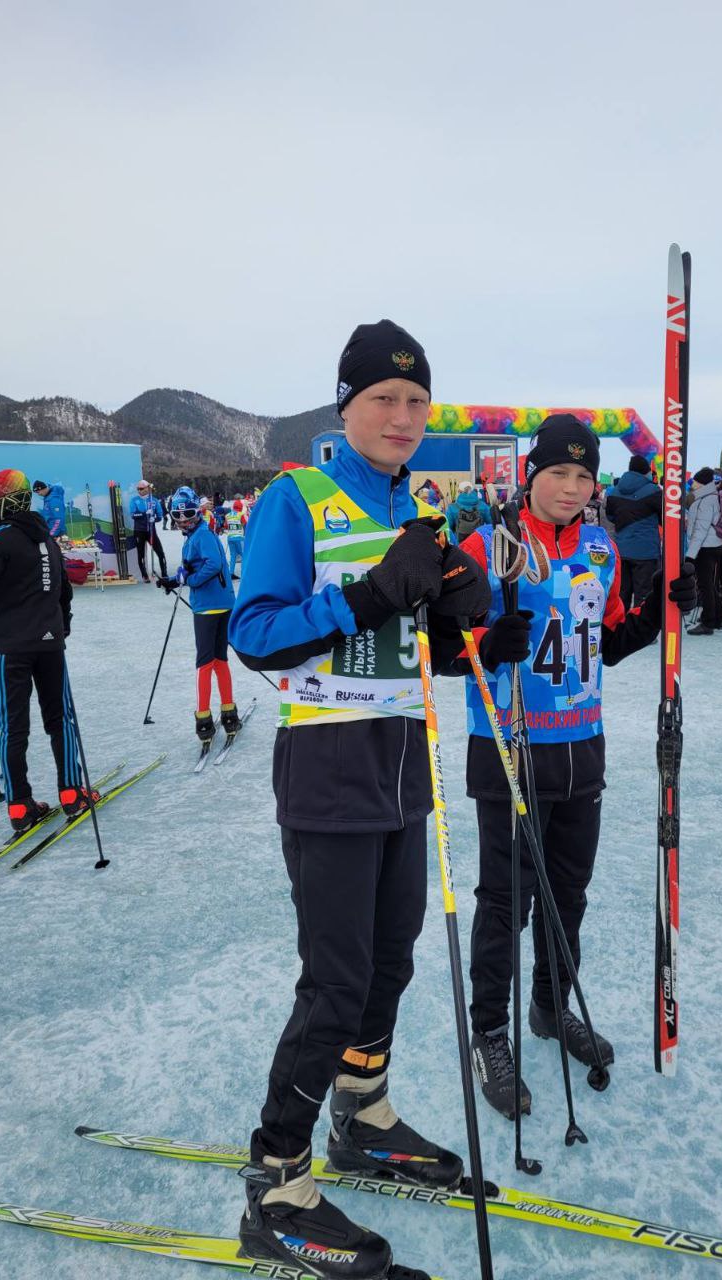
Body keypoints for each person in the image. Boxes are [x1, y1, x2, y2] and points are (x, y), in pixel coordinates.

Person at [227, 319, 491, 1278]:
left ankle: (362, 1113)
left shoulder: (421, 505)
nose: (403, 415)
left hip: (402, 764)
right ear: (347, 407)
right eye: (384, 398)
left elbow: (436, 641)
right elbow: (254, 634)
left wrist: (466, 608)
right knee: (334, 982)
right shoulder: (297, 498)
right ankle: (278, 1180)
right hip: (328, 770)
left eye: (417, 401)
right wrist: (371, 597)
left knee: (391, 960)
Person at [456, 414, 695, 1117]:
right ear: (531, 474)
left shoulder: (600, 545)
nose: (570, 485)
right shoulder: (488, 543)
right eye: (557, 472)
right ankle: (489, 1035)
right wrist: (486, 639)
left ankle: (548, 1008)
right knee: (505, 900)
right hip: (510, 744)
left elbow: (608, 637)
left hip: (581, 745)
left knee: (569, 894)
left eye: (583, 475)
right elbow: (447, 640)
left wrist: (657, 615)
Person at [0, 469, 97, 833]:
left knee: (12, 725)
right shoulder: (47, 540)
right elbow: (62, 590)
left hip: (9, 647)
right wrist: (60, 627)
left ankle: (20, 805)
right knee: (60, 718)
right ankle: (71, 791)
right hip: (49, 642)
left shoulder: (0, 539)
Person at [156, 487, 240, 743]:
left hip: (209, 607)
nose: (183, 520)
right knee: (218, 660)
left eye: (188, 514)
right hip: (221, 603)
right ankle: (228, 712)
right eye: (178, 516)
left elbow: (213, 564)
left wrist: (189, 580)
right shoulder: (197, 534)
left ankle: (203, 719)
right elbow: (197, 565)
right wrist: (174, 580)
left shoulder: (201, 534)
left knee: (205, 663)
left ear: (197, 512)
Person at [605, 455, 661, 608]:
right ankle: (639, 629)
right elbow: (665, 518)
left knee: (622, 593)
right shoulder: (654, 491)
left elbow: (610, 516)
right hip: (646, 551)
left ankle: (620, 627)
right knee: (644, 595)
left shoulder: (614, 491)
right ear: (646, 471)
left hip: (621, 549)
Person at [684, 467, 722, 635]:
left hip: (705, 547)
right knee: (710, 584)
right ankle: (717, 617)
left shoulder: (706, 500)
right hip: (712, 544)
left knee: (704, 585)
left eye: (696, 481)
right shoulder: (709, 497)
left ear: (703, 482)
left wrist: (690, 555)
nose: (693, 483)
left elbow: (700, 529)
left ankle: (708, 623)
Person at [129, 479, 168, 583]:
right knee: (140, 553)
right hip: (139, 531)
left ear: (147, 488)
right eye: (138, 489)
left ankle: (164, 574)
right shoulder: (134, 500)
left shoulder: (154, 500)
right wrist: (145, 514)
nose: (139, 490)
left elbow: (160, 516)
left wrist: (154, 519)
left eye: (141, 488)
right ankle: (144, 575)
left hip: (151, 531)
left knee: (160, 552)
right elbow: (133, 515)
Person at [224, 496, 248, 579]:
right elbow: (244, 523)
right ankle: (244, 572)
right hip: (239, 538)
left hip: (230, 538)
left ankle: (231, 573)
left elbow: (226, 526)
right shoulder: (240, 514)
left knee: (233, 555)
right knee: (244, 555)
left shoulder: (227, 515)